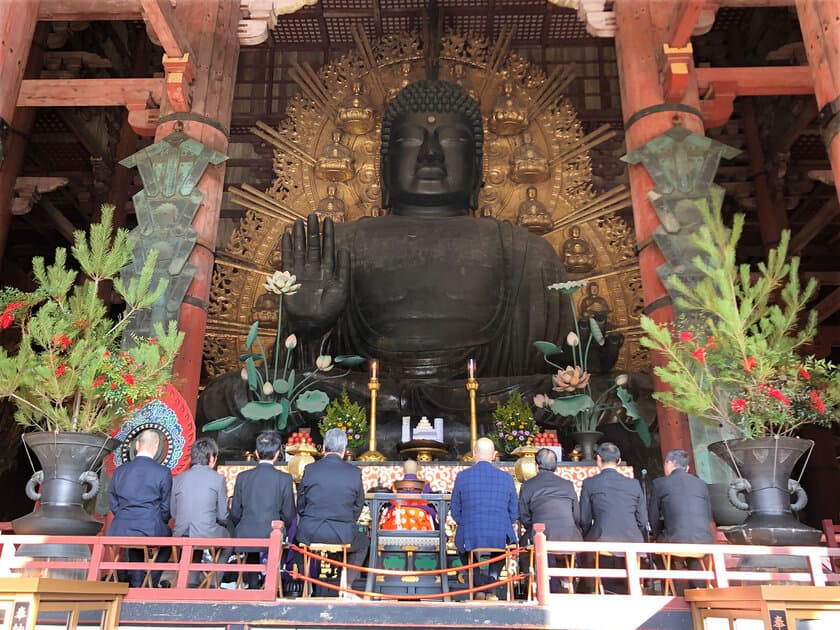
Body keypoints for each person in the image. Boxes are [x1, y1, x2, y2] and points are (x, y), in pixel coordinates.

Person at [295, 427, 369, 590]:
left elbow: (300, 504)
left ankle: (306, 585)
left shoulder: (310, 469)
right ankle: (347, 584)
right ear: (344, 449)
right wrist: (347, 521)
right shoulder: (353, 473)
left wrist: (310, 518)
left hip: (311, 532)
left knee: (296, 541)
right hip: (342, 534)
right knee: (363, 542)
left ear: (323, 446)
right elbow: (358, 505)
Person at [450, 437, 518, 600]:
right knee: (500, 547)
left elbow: (455, 511)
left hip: (470, 532)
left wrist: (467, 522)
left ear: (474, 454)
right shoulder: (507, 478)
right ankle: (492, 584)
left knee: (463, 547)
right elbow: (514, 513)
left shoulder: (462, 476)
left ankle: (479, 585)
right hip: (500, 533)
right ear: (494, 455)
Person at [579, 442, 648, 594]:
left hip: (602, 541)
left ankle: (594, 589)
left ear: (598, 459)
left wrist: (591, 534)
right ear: (618, 461)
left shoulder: (590, 483)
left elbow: (584, 519)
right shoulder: (634, 484)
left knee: (584, 552)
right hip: (632, 542)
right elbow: (642, 521)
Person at [230, 431, 296, 589]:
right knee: (281, 541)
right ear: (277, 454)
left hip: (245, 532)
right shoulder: (284, 479)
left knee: (252, 541)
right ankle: (271, 585)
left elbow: (235, 513)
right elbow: (289, 514)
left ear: (256, 453)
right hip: (272, 533)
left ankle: (252, 585)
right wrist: (280, 524)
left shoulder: (242, 477)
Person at [107, 429, 172, 587]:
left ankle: (137, 582)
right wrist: (157, 520)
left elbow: (113, 501)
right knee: (169, 541)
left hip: (121, 527)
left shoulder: (120, 471)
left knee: (135, 535)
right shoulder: (163, 473)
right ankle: (150, 581)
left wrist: (124, 515)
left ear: (137, 445)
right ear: (156, 447)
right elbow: (166, 507)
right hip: (149, 526)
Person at [649, 449, 714, 591]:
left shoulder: (659, 484)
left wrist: (657, 535)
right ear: (688, 468)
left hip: (676, 541)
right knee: (694, 554)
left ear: (669, 463)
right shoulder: (701, 484)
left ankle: (674, 590)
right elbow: (708, 516)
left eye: (665, 463)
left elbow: (653, 517)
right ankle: (699, 589)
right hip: (704, 541)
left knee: (657, 552)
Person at [170, 437, 229, 587]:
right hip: (205, 532)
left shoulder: (178, 479)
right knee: (228, 541)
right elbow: (223, 516)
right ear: (211, 458)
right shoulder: (218, 479)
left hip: (181, 532)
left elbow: (173, 513)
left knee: (195, 535)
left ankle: (191, 580)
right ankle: (214, 582)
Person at [518, 448, 581, 545]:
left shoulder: (527, 486)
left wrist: (535, 527)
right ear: (555, 466)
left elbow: (524, 518)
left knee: (524, 546)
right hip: (570, 538)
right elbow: (576, 516)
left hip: (540, 538)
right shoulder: (568, 485)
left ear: (536, 466)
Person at [380, 459, 436, 531]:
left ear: (403, 470)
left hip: (398, 515)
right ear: (416, 470)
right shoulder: (424, 485)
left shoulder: (395, 485)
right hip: (419, 515)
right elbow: (431, 503)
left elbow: (390, 502)